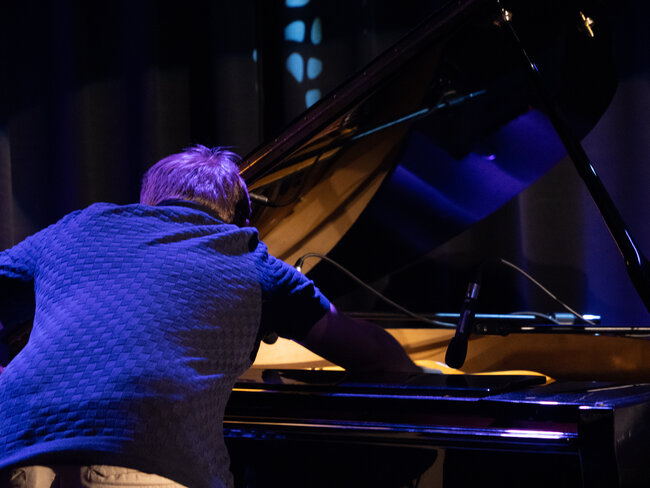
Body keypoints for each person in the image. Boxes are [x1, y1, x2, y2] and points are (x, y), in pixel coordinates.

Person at [0, 145, 421, 488]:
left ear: (148, 202)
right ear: (242, 219)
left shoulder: (78, 226)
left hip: (12, 448)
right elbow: (374, 353)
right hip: (146, 462)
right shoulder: (251, 261)